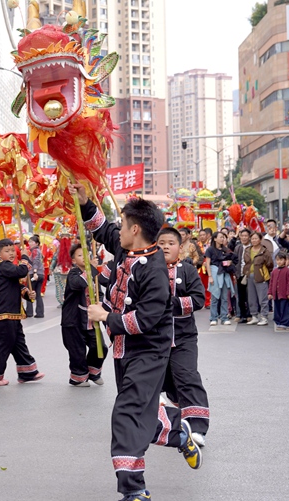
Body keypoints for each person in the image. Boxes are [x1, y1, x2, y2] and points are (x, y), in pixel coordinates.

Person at [74, 185, 202, 501]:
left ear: (135, 229)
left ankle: (134, 488)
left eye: (123, 224)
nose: (117, 230)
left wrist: (105, 317)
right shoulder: (127, 249)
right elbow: (101, 230)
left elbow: (145, 320)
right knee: (141, 410)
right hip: (124, 350)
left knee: (126, 412)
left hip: (149, 351)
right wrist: (84, 201)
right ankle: (176, 430)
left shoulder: (158, 270)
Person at [157, 228, 210, 446]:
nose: (166, 247)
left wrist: (170, 304)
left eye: (171, 243)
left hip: (184, 336)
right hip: (155, 339)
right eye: (161, 243)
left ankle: (197, 426)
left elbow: (198, 299)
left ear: (180, 247)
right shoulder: (148, 270)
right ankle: (171, 420)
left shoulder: (187, 270)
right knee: (166, 382)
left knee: (187, 376)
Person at [0, 239, 44, 385]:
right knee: (3, 343)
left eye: (13, 251)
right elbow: (21, 271)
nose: (11, 254)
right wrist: (26, 257)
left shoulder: (9, 269)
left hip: (12, 313)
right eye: (7, 251)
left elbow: (16, 287)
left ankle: (27, 372)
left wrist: (28, 294)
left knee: (18, 342)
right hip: (2, 314)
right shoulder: (2, 267)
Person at [61, 243, 107, 387]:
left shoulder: (94, 275)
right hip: (74, 320)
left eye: (86, 254)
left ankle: (93, 372)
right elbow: (78, 284)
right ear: (74, 260)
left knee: (100, 347)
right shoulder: (73, 273)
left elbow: (99, 292)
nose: (85, 258)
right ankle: (78, 377)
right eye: (80, 255)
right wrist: (91, 269)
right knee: (77, 350)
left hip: (90, 319)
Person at [204, 231, 236, 326]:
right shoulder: (210, 250)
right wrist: (210, 276)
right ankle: (213, 318)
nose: (222, 239)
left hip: (224, 274)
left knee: (224, 297)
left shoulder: (226, 250)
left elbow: (231, 260)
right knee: (215, 297)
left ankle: (224, 317)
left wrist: (229, 263)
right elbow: (207, 264)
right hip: (214, 273)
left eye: (223, 237)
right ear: (215, 238)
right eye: (221, 237)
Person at [243, 232, 273, 326]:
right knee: (251, 298)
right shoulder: (248, 250)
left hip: (261, 276)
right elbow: (246, 262)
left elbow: (270, 264)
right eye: (252, 239)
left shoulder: (264, 251)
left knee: (262, 297)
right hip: (250, 275)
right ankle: (254, 316)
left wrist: (263, 272)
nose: (254, 240)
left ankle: (264, 317)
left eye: (256, 238)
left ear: (260, 239)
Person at [269, 252, 289, 330]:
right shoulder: (274, 271)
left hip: (284, 293)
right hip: (276, 293)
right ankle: (278, 321)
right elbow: (271, 282)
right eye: (277, 260)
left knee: (285, 308)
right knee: (277, 308)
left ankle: (285, 322)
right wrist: (270, 292)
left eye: (281, 260)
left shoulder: (288, 271)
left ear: (285, 260)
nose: (279, 262)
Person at [23, 235, 46, 318]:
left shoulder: (35, 251)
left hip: (34, 273)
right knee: (38, 294)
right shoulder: (38, 251)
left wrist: (35, 272)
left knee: (30, 292)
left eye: (32, 242)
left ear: (36, 243)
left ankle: (29, 312)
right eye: (29, 242)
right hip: (41, 274)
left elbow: (35, 261)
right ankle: (40, 313)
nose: (30, 243)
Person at [234, 229, 252, 323]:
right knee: (240, 296)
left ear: (249, 237)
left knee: (250, 296)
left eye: (246, 236)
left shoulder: (253, 247)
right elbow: (235, 261)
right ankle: (241, 314)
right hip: (239, 274)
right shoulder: (238, 248)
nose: (244, 238)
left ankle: (250, 314)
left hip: (250, 274)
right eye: (242, 236)